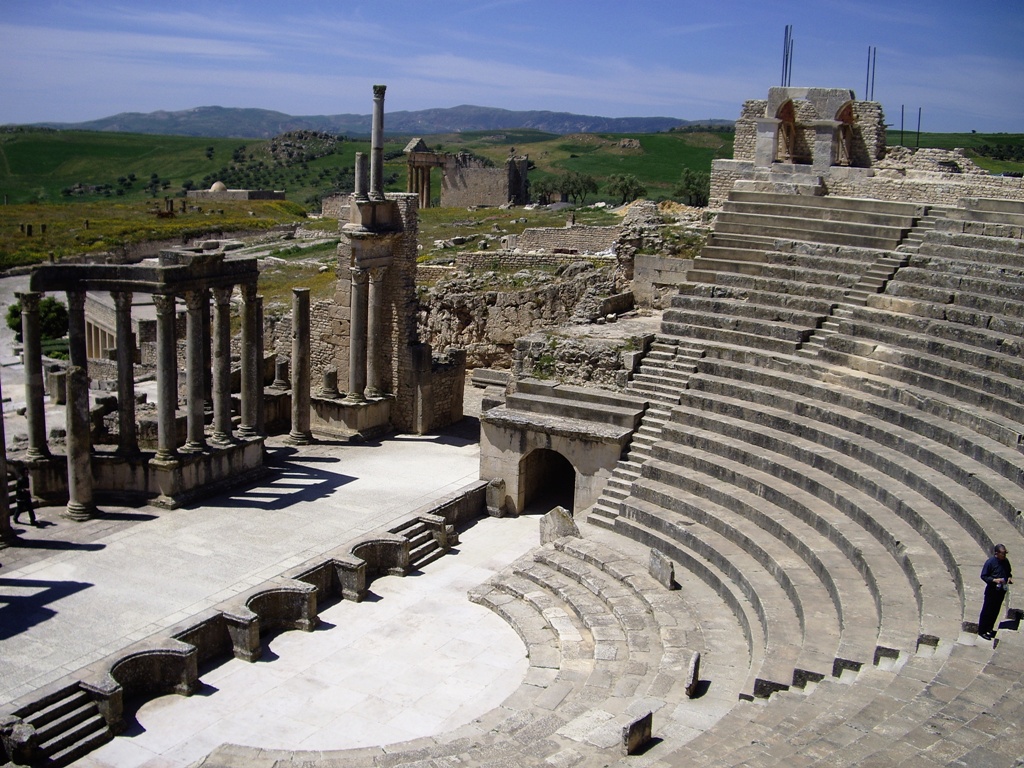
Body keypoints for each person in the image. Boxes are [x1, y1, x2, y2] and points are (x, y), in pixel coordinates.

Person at [978, 544, 1012, 640]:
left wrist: (1009, 578)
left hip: (1001, 590)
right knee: (987, 610)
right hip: (992, 590)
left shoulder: (1005, 562)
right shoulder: (990, 562)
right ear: (997, 553)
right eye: (1003, 554)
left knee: (995, 610)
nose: (1004, 555)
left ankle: (990, 628)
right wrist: (994, 580)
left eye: (1005, 553)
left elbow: (1008, 572)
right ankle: (982, 631)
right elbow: (984, 576)